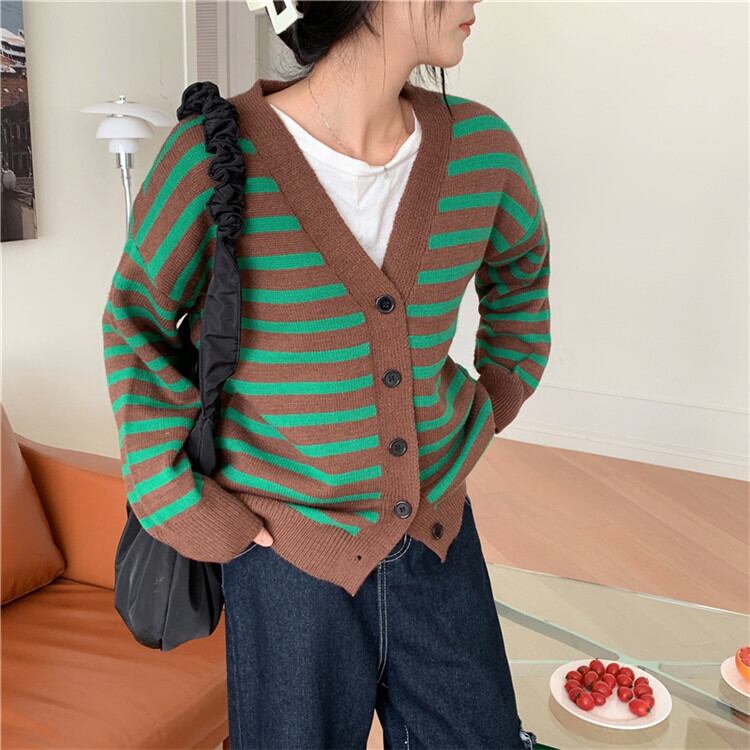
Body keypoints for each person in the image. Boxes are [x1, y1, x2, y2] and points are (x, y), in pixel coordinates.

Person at [102, 1, 550, 748]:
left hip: (439, 536)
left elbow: (521, 273)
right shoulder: (211, 157)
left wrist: (498, 391)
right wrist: (171, 495)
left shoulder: (483, 151)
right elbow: (135, 323)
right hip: (284, 556)